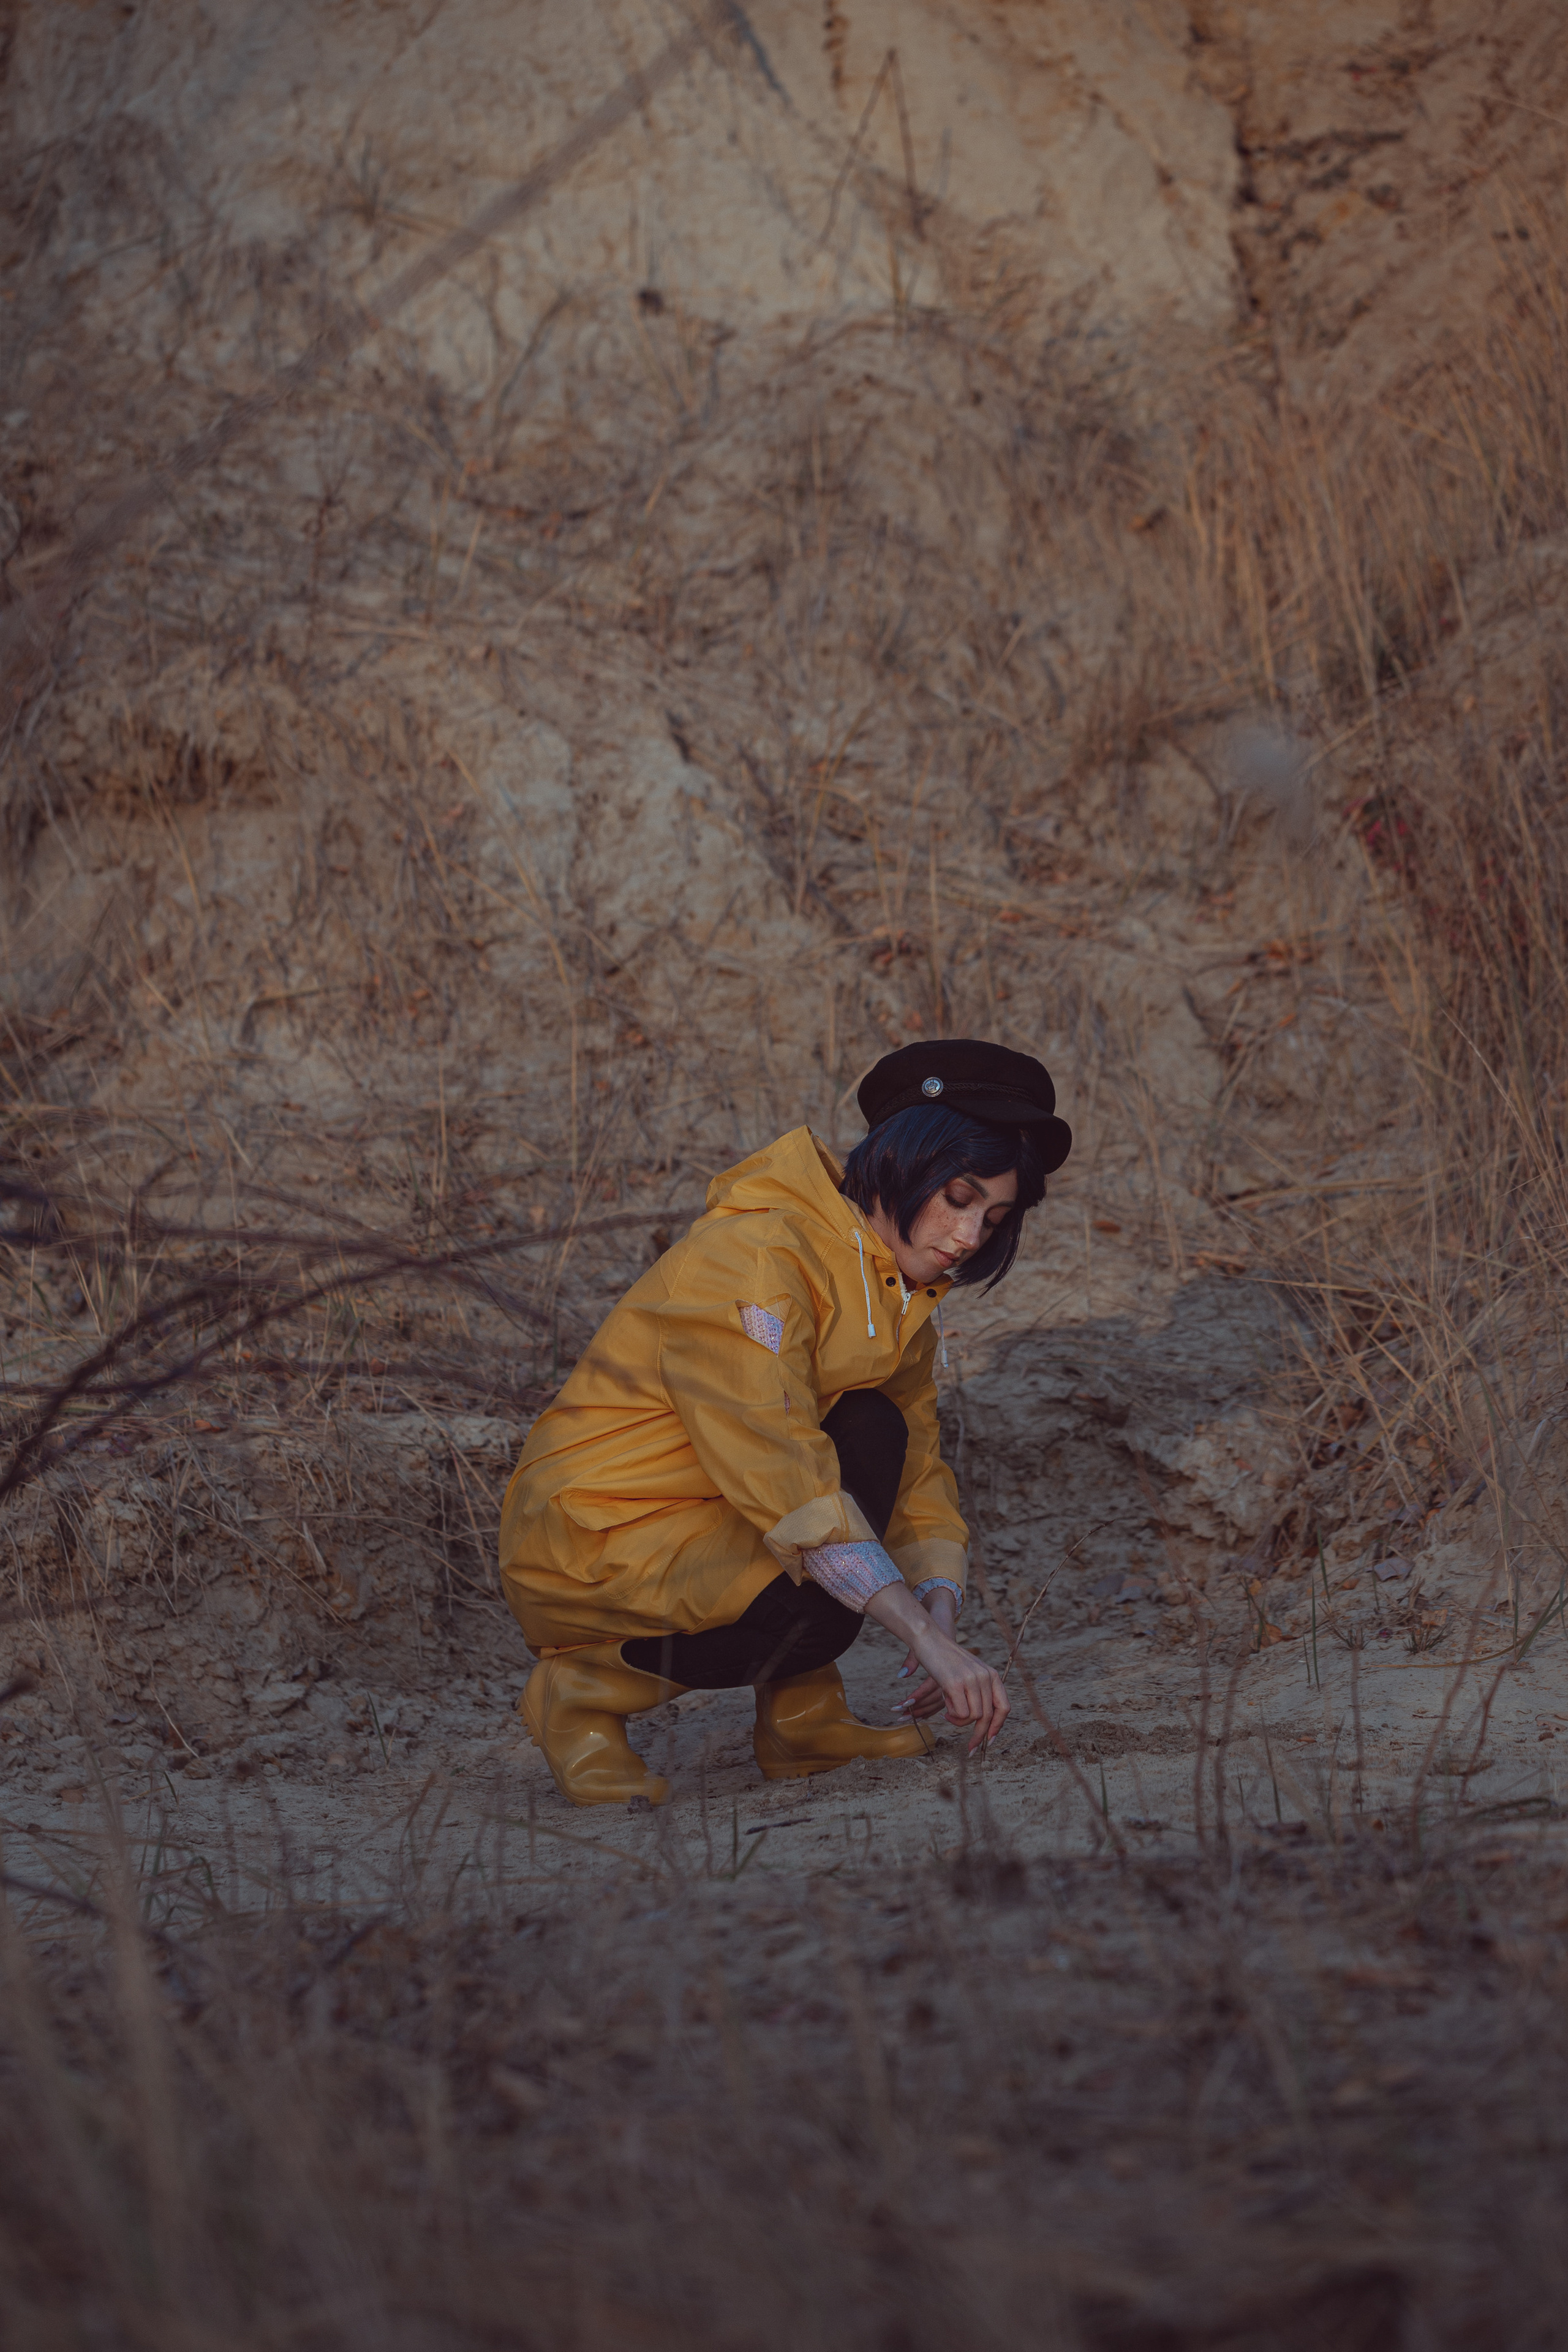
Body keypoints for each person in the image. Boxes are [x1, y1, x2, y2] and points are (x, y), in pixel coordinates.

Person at [499, 1039, 1072, 1806]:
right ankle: (579, 1694)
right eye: (959, 1198)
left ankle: (803, 1717)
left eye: (993, 1218)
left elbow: (914, 1464)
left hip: (711, 1512)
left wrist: (940, 1602)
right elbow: (775, 1461)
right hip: (597, 1529)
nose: (969, 1238)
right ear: (901, 1161)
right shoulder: (756, 1258)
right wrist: (920, 1639)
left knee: (871, 1427)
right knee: (812, 1595)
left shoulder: (898, 1297)